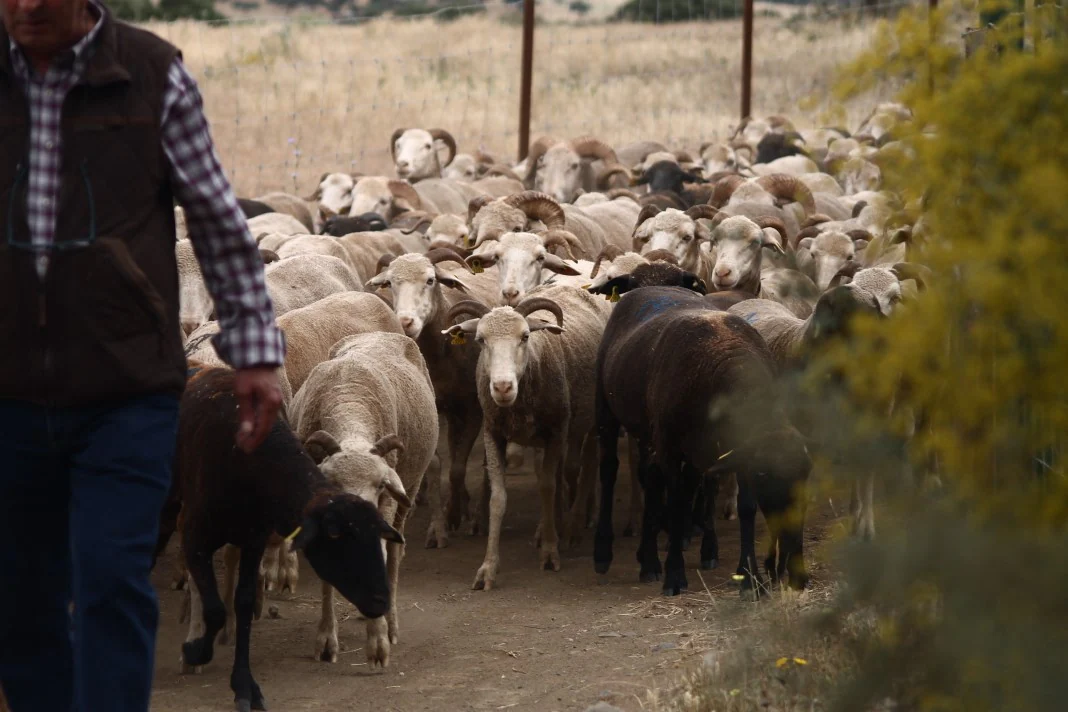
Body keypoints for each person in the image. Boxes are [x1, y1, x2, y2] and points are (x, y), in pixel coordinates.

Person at [0, 0, 287, 709]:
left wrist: (252, 349)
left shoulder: (152, 74)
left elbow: (217, 218)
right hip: (5, 390)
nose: (28, 4)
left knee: (111, 578)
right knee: (19, 593)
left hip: (124, 384)